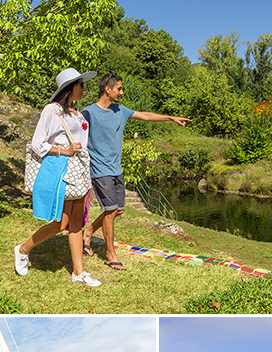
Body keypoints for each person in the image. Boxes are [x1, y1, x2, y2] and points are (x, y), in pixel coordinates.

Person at [80, 73, 191, 271]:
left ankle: (88, 232)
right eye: (119, 89)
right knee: (110, 210)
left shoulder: (120, 110)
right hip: (100, 169)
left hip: (116, 168)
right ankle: (111, 255)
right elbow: (78, 138)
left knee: (118, 210)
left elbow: (146, 116)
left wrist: (170, 118)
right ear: (108, 89)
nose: (121, 92)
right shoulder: (88, 113)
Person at [15, 68, 101, 287]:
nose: (84, 88)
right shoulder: (52, 110)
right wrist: (65, 151)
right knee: (60, 223)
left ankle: (78, 273)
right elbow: (37, 144)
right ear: (69, 87)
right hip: (62, 169)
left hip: (80, 170)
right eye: (80, 84)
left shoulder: (76, 112)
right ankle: (23, 250)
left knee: (75, 223)